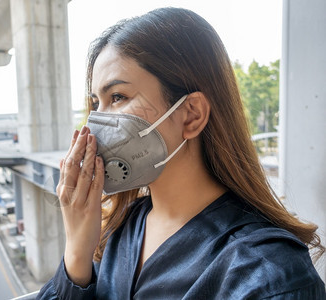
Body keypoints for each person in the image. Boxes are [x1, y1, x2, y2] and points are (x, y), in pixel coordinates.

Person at [37, 7, 325, 299]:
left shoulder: (268, 274)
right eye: (96, 103)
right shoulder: (120, 228)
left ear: (191, 115)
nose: (96, 123)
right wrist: (76, 253)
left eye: (118, 97)